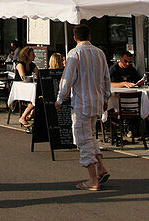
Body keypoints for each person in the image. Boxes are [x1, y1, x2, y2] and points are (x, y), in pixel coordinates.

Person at [56, 24, 112, 191]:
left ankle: (93, 179)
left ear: (75, 38)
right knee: (91, 135)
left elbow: (68, 79)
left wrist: (60, 99)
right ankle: (101, 167)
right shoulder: (99, 53)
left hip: (82, 102)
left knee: (83, 138)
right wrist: (106, 97)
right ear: (90, 36)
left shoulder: (75, 53)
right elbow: (106, 77)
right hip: (96, 101)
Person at [15, 46, 38, 127]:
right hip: (20, 89)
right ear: (27, 55)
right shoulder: (20, 65)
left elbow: (39, 75)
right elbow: (23, 77)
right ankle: (23, 117)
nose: (34, 56)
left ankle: (31, 114)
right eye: (33, 54)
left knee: (39, 97)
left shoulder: (32, 65)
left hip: (30, 88)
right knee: (35, 98)